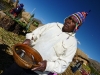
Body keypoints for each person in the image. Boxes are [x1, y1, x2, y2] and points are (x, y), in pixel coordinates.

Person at [1, 11, 88, 75]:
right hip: (24, 59)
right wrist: (29, 39)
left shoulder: (72, 43)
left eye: (73, 22)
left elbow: (63, 64)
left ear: (76, 27)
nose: (69, 21)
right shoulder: (54, 25)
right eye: (70, 18)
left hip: (37, 72)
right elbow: (35, 34)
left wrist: (47, 66)